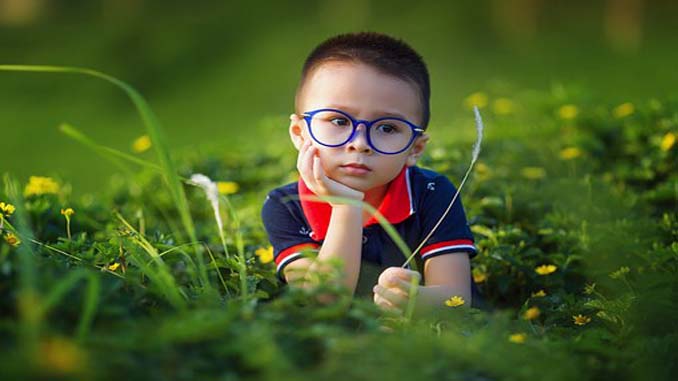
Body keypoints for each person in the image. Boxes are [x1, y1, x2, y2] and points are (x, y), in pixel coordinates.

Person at [261, 31, 483, 317]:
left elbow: (456, 299)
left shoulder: (431, 192)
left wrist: (414, 301)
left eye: (387, 128)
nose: (360, 143)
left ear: (415, 148)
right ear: (299, 134)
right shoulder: (285, 205)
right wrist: (347, 207)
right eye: (338, 120)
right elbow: (324, 300)